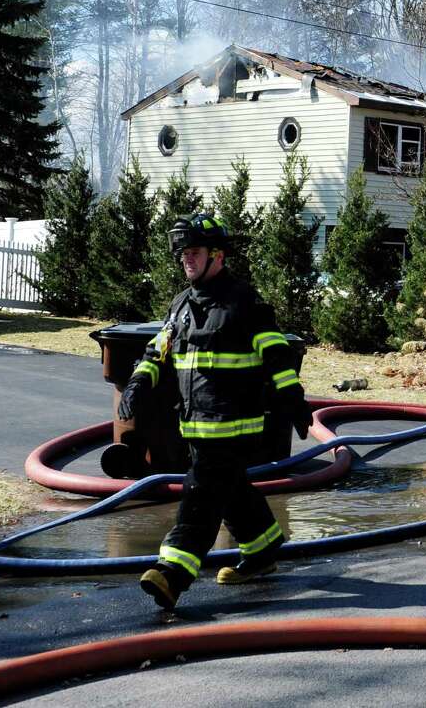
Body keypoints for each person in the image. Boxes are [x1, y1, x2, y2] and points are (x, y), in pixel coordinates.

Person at [117, 213, 311, 610]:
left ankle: (172, 574)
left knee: (201, 494)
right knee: (232, 490)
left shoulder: (245, 302)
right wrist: (138, 382)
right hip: (196, 426)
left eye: (195, 252)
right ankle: (263, 549)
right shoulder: (181, 306)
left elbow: (276, 354)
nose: (187, 260)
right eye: (184, 254)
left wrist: (293, 398)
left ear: (217, 256)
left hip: (234, 427)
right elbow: (158, 350)